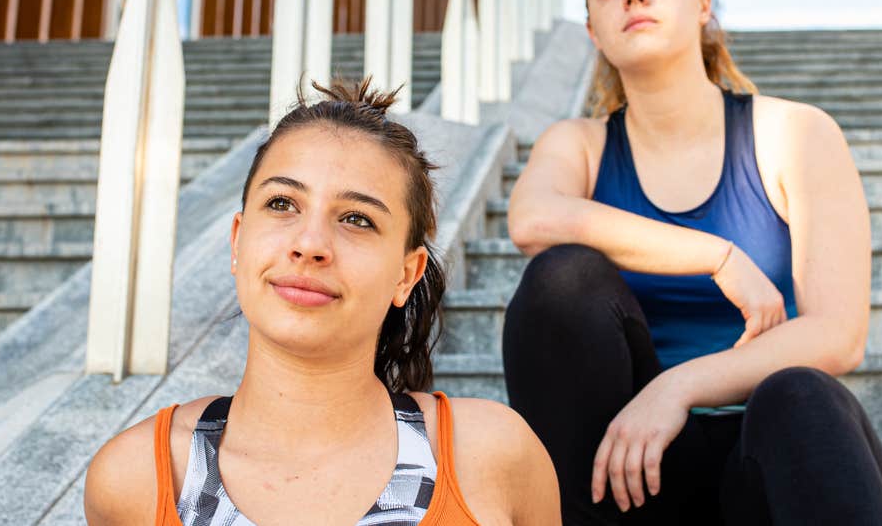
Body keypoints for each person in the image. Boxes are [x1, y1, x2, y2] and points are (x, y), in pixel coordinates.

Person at [502, 0, 882, 524]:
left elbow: (838, 335)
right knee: (562, 277)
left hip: (772, 461)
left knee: (799, 392)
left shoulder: (791, 133)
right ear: (593, 32)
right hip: (631, 473)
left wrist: (677, 387)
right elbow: (533, 218)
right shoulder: (578, 145)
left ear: (705, 4)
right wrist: (715, 254)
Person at [84, 78, 560, 525]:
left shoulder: (495, 455)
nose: (310, 243)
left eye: (356, 219)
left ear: (405, 274)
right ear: (237, 241)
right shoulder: (135, 477)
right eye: (282, 204)